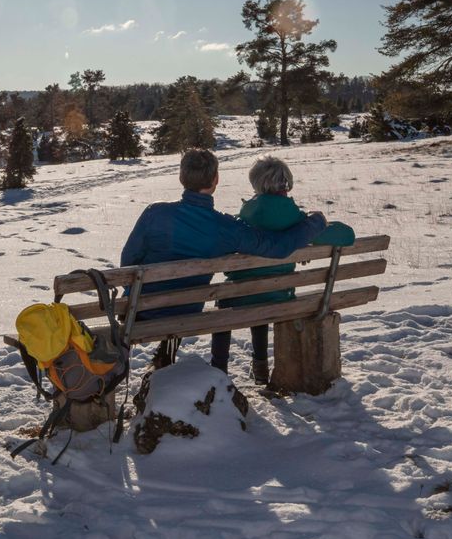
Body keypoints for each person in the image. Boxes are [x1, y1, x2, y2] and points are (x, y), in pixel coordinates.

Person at [120, 148, 327, 372]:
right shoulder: (227, 229)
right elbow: (278, 246)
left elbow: (128, 262)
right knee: (180, 298)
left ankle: (158, 365)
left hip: (140, 309)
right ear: (216, 179)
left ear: (181, 178)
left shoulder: (155, 214)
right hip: (188, 309)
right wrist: (315, 222)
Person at [215, 155, 355, 382]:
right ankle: (260, 366)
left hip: (237, 298)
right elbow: (346, 236)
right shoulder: (296, 220)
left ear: (256, 183)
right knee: (263, 296)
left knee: (237, 301)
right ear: (286, 183)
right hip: (280, 297)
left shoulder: (244, 217)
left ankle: (218, 371)